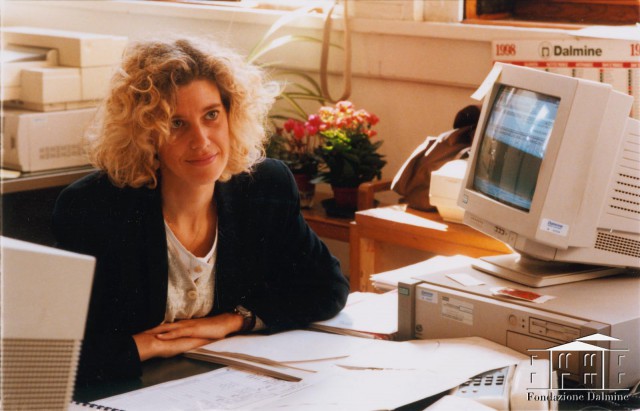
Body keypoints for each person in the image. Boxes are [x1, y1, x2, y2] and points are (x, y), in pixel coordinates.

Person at [52, 37, 349, 384]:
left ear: (231, 114)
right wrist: (147, 345)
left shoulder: (265, 186)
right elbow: (54, 353)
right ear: (146, 134)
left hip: (223, 385)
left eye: (211, 115)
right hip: (127, 390)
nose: (202, 141)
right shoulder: (93, 208)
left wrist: (233, 321)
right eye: (177, 124)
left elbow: (328, 287)